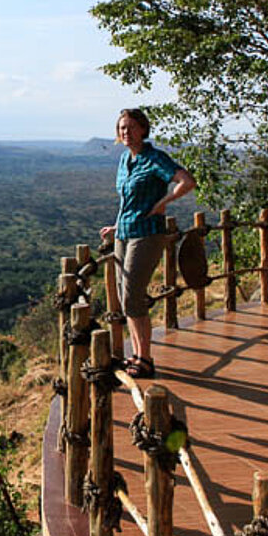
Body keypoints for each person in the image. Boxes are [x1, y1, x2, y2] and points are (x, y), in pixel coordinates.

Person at [98, 108, 196, 378]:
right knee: (125, 297)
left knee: (132, 295)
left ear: (143, 129)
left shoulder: (155, 159)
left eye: (130, 127)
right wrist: (117, 224)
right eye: (121, 128)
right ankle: (138, 355)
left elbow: (187, 182)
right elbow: (128, 200)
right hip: (124, 233)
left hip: (147, 233)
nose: (125, 132)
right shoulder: (124, 160)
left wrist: (163, 203)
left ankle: (147, 359)